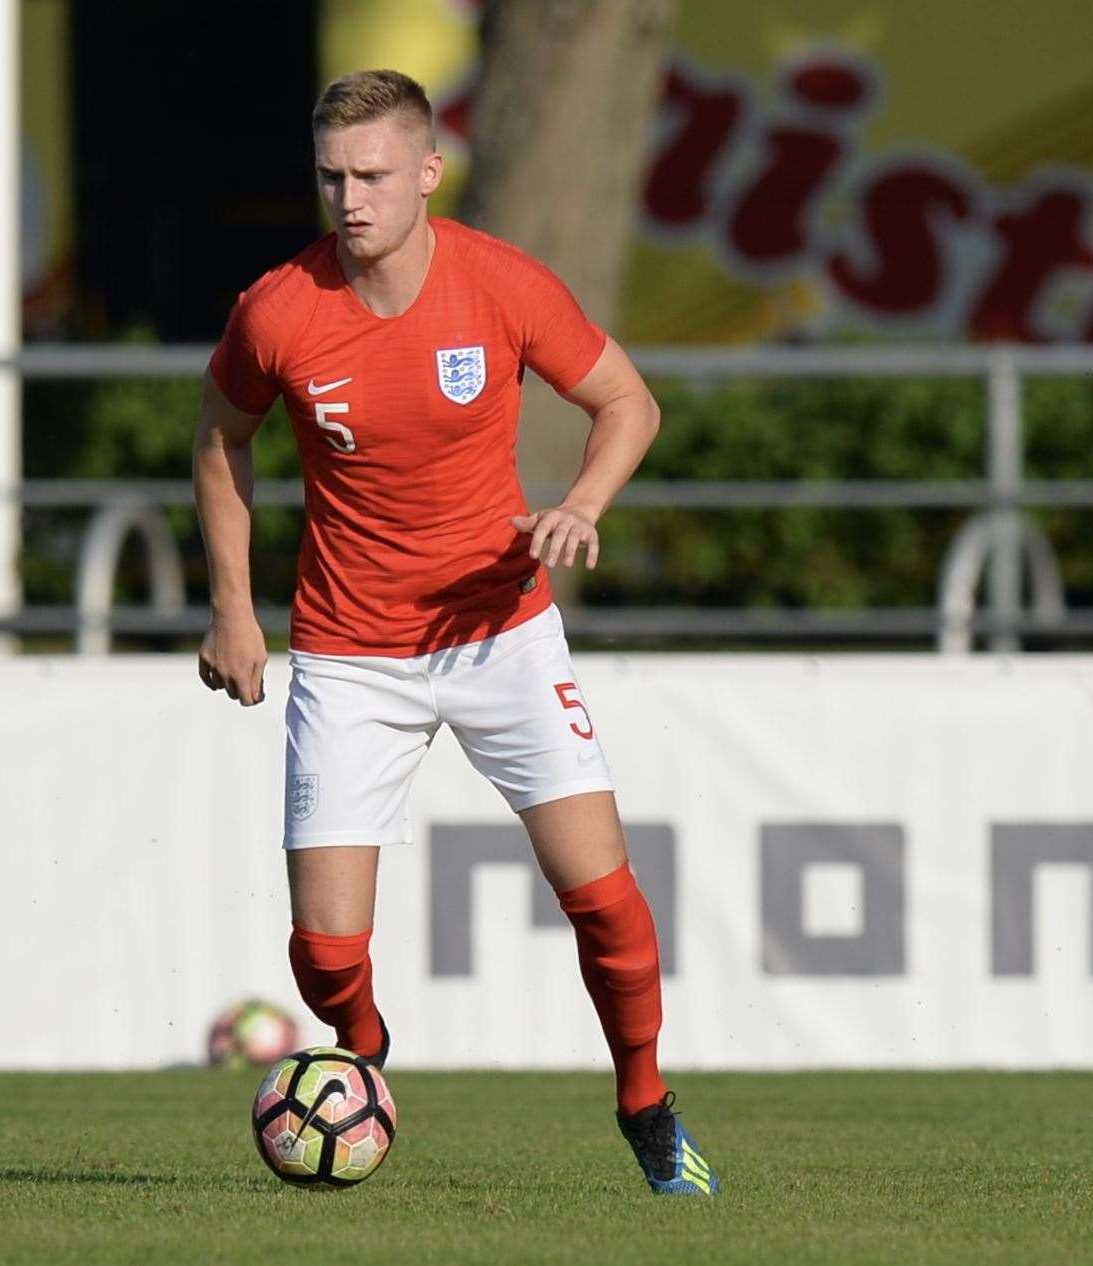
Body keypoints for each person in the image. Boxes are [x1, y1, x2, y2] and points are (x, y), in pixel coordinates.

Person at [193, 69, 719, 1198]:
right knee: (324, 951)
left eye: (374, 175)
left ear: (429, 171)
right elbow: (220, 438)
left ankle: (645, 1103)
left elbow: (630, 401)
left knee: (605, 901)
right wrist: (232, 607)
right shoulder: (278, 308)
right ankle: (364, 1055)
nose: (351, 198)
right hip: (347, 651)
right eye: (332, 176)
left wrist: (580, 504)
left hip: (502, 634)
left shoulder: (500, 285)